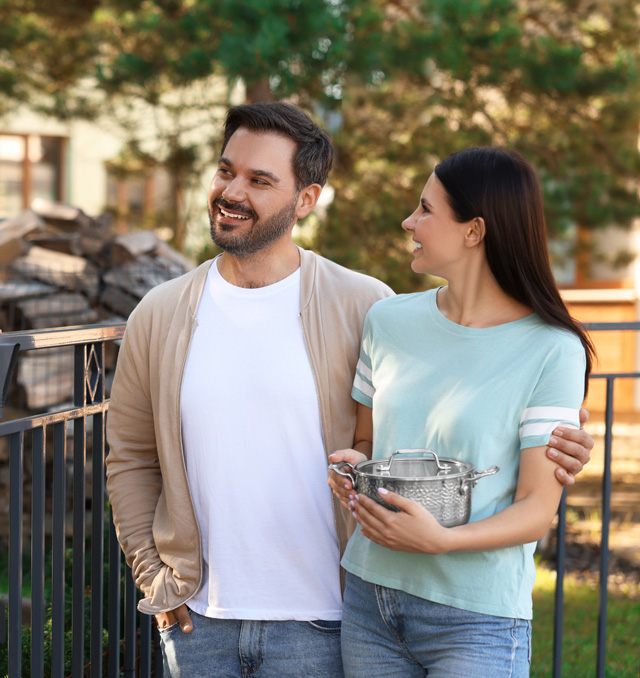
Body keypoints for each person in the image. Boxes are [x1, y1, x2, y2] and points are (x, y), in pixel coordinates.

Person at [104, 103, 596, 678]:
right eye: (225, 171)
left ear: (305, 199)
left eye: (260, 180)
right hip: (203, 624)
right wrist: (157, 581)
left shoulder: (364, 304)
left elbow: (460, 405)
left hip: (331, 617)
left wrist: (561, 439)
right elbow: (131, 458)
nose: (232, 191)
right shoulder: (161, 314)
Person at [327, 147, 592, 676]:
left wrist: (443, 541)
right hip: (369, 601)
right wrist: (350, 468)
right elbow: (366, 444)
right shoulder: (387, 321)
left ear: (474, 231)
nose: (409, 221)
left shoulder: (552, 349)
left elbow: (538, 508)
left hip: (477, 620)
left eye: (425, 209)